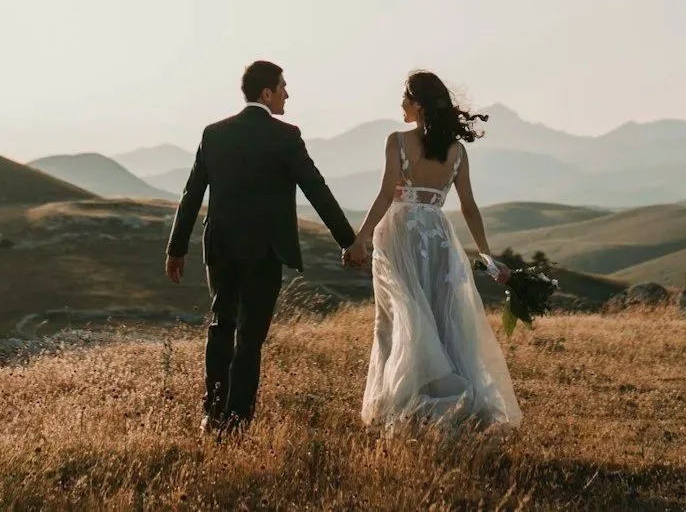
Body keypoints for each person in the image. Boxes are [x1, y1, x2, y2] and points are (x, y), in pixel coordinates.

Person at [163, 60, 361, 433]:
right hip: (265, 250)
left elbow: (192, 193)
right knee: (250, 337)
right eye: (283, 87)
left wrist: (176, 248)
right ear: (266, 93)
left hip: (220, 246)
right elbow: (316, 189)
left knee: (222, 325)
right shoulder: (286, 136)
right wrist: (348, 241)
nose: (288, 94)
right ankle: (238, 419)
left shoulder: (213, 134)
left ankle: (213, 413)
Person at [346, 70, 522, 432]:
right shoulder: (457, 152)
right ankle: (448, 401)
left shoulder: (396, 141)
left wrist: (361, 237)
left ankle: (406, 402)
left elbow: (384, 194)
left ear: (418, 104)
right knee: (442, 318)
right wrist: (486, 254)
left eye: (405, 98)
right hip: (438, 238)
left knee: (399, 317)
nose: (401, 105)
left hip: (400, 235)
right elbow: (469, 206)